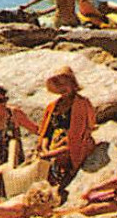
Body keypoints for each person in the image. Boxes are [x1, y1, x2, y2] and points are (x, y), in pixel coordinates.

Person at [62, 127, 117, 217]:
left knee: (94, 208)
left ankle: (64, 215)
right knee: (92, 201)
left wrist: (93, 189)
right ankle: (66, 212)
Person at [37, 66, 97, 196]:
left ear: (72, 84)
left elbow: (77, 136)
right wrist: (45, 148)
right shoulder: (53, 106)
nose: (62, 88)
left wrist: (50, 153)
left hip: (74, 145)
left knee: (61, 157)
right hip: (54, 145)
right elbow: (46, 132)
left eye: (65, 83)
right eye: (58, 85)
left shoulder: (81, 104)